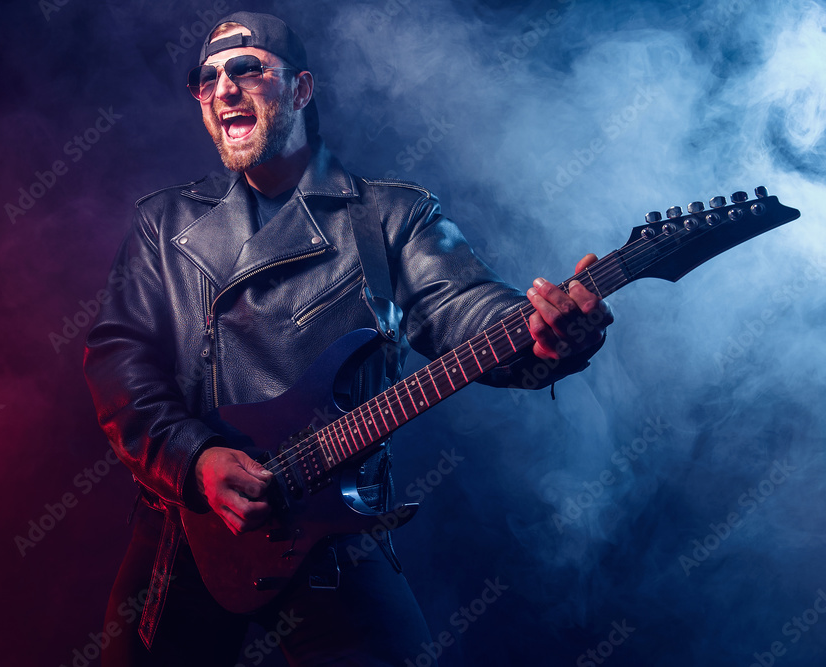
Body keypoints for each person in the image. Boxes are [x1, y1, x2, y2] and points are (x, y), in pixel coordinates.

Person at [83, 11, 611, 666]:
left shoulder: (393, 215)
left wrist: (541, 334)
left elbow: (464, 307)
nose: (224, 88)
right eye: (207, 77)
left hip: (336, 534)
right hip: (184, 539)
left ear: (302, 90)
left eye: (247, 69)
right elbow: (119, 366)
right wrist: (194, 458)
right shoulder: (164, 224)